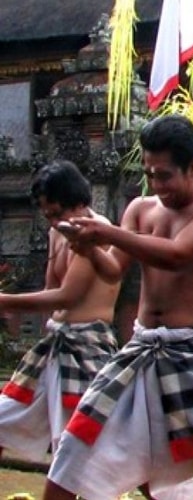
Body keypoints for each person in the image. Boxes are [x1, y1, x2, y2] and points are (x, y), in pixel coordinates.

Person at [41, 115, 193, 500]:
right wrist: (88, 247)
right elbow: (114, 269)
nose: (156, 185)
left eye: (165, 175)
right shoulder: (140, 208)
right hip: (140, 348)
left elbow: (177, 255)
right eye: (149, 174)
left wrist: (106, 232)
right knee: (76, 443)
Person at [0, 160, 120, 462]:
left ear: (78, 202)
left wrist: (5, 301)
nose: (53, 221)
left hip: (87, 349)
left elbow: (67, 297)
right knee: (4, 416)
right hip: (55, 345)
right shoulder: (58, 232)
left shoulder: (98, 230)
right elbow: (51, 291)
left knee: (82, 444)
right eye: (47, 214)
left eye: (58, 213)